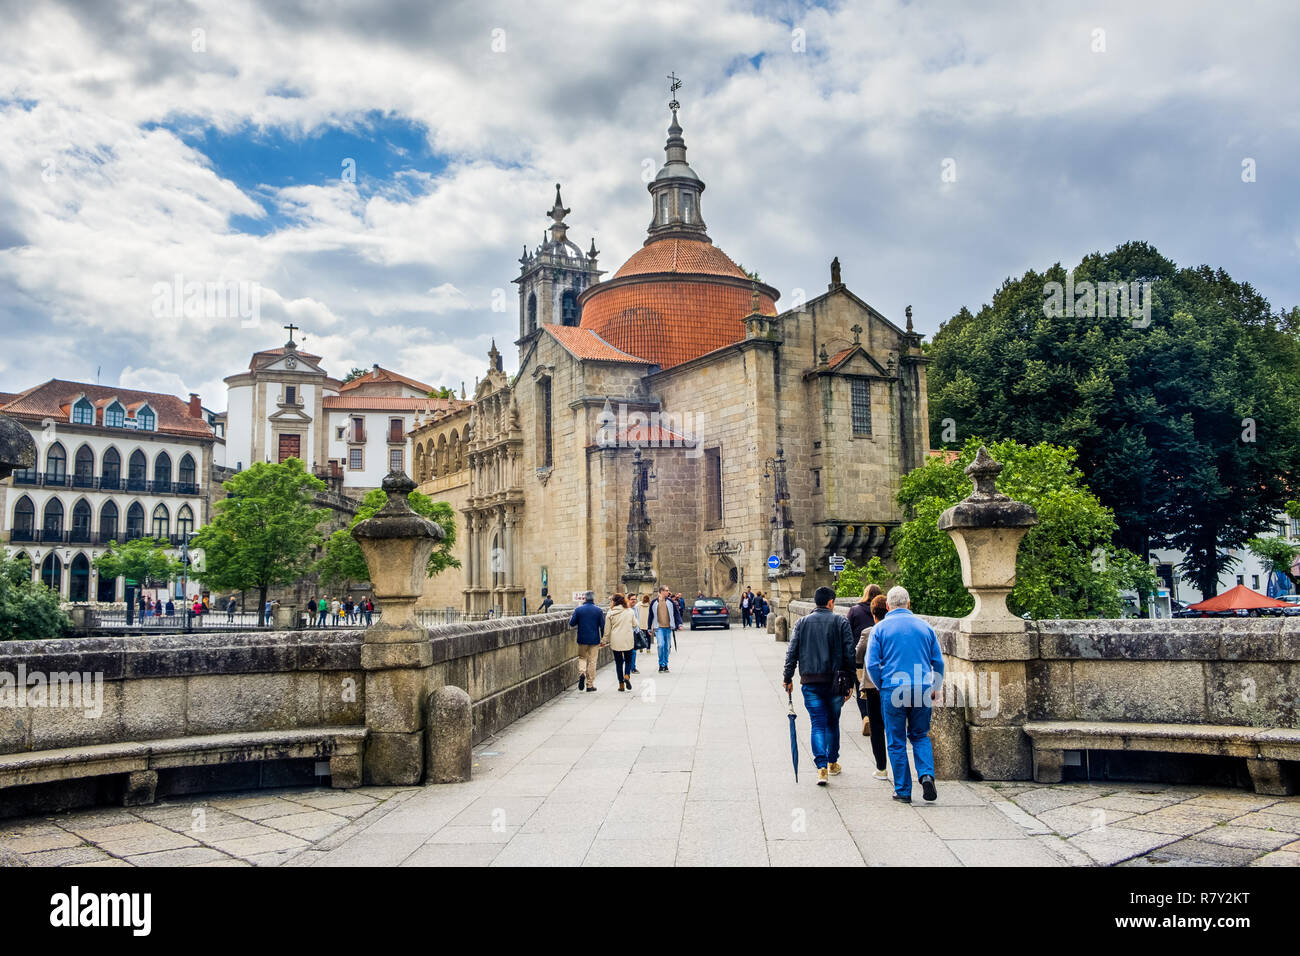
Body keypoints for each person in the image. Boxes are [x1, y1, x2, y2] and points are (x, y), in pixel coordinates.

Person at [867, 586, 945, 804]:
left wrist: (882, 685)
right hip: (921, 686)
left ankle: (903, 790)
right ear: (909, 604)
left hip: (893, 688)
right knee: (920, 735)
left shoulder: (880, 629)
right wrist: (935, 686)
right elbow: (938, 662)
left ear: (888, 606)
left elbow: (872, 664)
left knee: (896, 740)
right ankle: (926, 774)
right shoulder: (925, 627)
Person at [782, 586, 856, 785]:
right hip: (835, 682)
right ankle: (832, 762)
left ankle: (821, 766)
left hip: (811, 682)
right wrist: (851, 681)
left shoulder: (802, 623)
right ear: (831, 602)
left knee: (817, 724)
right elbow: (850, 653)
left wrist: (787, 677)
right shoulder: (841, 621)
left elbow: (792, 652)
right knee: (832, 722)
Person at [850, 590, 890, 780]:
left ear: (874, 614)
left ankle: (881, 767)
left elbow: (858, 656)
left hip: (874, 686)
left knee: (876, 725)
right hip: (899, 685)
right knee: (895, 727)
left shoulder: (869, 632)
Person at [568, 590, 605, 692]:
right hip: (594, 639)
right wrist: (603, 639)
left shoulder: (579, 610)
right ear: (593, 598)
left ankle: (582, 673)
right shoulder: (598, 610)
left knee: (582, 658)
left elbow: (572, 623)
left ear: (585, 598)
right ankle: (589, 685)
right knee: (592, 661)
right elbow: (602, 626)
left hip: (582, 639)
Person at [605, 593, 637, 692]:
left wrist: (604, 640)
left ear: (614, 602)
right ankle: (627, 675)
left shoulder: (610, 612)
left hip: (616, 640)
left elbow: (607, 630)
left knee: (619, 663)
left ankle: (621, 685)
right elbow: (635, 624)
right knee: (628, 661)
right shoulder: (630, 611)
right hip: (628, 639)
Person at [649, 586, 682, 672]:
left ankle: (665, 664)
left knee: (667, 647)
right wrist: (649, 628)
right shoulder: (654, 602)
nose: (668, 592)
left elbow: (676, 613)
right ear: (662, 591)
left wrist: (679, 623)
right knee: (660, 645)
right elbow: (650, 616)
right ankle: (661, 664)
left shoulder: (670, 602)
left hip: (668, 627)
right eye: (667, 591)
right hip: (658, 628)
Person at [633, 593, 652, 673]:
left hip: (640, 622)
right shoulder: (650, 605)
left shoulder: (638, 605)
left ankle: (640, 647)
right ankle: (648, 648)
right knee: (648, 636)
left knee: (640, 636)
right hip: (647, 623)